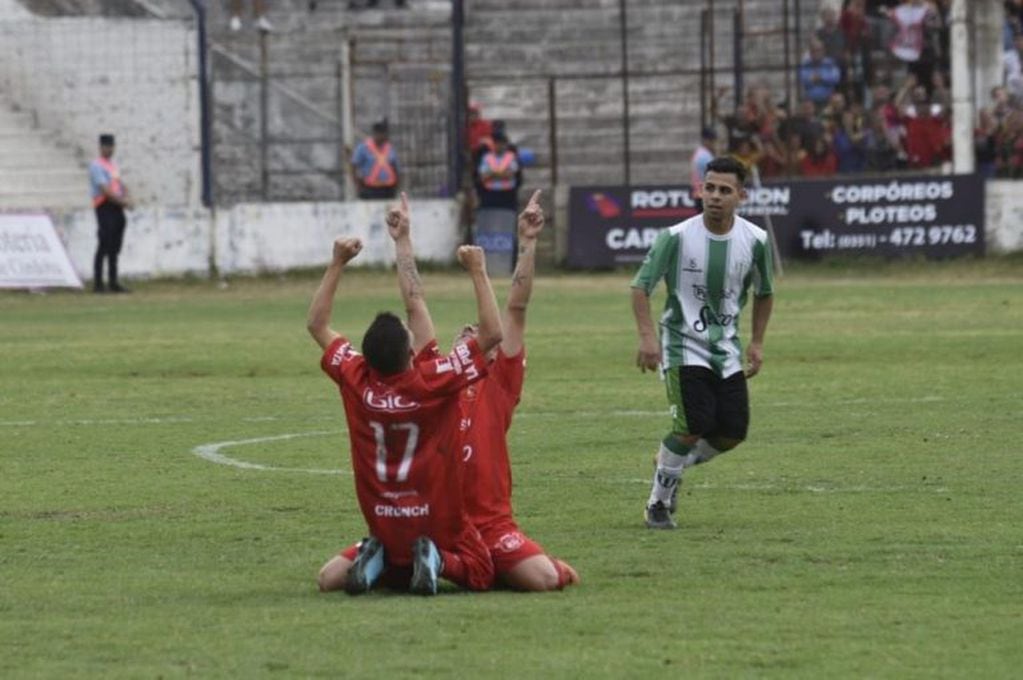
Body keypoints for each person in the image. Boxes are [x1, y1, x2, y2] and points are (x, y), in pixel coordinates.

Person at [309, 193, 503, 595]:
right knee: (482, 569)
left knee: (328, 578)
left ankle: (378, 557)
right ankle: (434, 557)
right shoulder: (433, 379)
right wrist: (479, 271)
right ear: (410, 355)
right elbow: (491, 335)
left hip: (384, 519)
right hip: (434, 518)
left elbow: (317, 324)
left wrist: (339, 263)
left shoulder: (357, 378)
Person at [630, 156, 775, 529]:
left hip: (725, 347)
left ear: (740, 196)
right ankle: (658, 505)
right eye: (709, 188)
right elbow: (640, 287)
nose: (714, 196)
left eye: (724, 190)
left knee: (732, 431)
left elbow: (764, 292)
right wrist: (648, 338)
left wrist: (757, 342)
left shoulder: (755, 240)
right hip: (681, 345)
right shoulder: (676, 237)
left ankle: (671, 464)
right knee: (692, 424)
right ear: (700, 189)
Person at [456, 190, 580, 592]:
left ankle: (486, 565)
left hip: (492, 526)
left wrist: (527, 243)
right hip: (441, 522)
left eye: (475, 331)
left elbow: (515, 311)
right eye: (462, 331)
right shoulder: (436, 380)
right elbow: (413, 309)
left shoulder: (499, 386)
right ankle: (469, 566)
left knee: (543, 579)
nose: (466, 332)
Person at [89, 134, 133, 294]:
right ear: (101, 147)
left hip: (116, 206)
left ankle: (113, 281)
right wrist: (123, 202)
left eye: (111, 146)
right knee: (104, 243)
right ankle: (99, 283)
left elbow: (118, 183)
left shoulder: (112, 165)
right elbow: (105, 189)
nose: (110, 149)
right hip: (105, 206)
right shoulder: (96, 166)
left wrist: (127, 195)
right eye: (107, 146)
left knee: (115, 245)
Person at [351, 119, 399, 200]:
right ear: (375, 133)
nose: (383, 136)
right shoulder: (363, 148)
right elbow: (354, 166)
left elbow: (396, 168)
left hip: (388, 189)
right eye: (380, 133)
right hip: (370, 190)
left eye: (384, 133)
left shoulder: (390, 148)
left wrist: (396, 187)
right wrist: (358, 184)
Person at [477, 130, 520, 211]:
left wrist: (492, 174)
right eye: (497, 143)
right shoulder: (486, 157)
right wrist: (502, 174)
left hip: (507, 194)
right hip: (490, 194)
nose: (499, 146)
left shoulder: (511, 156)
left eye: (501, 143)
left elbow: (510, 175)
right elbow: (483, 177)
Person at [799, 39, 842, 110]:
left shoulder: (830, 63)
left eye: (819, 50)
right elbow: (804, 80)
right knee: (806, 105)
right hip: (811, 101)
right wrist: (824, 80)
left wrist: (821, 78)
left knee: (838, 99)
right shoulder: (805, 65)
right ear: (810, 52)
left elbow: (835, 78)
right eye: (814, 50)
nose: (816, 53)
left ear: (823, 51)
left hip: (828, 100)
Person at [690, 127, 718, 211]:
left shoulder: (700, 152)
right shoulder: (704, 156)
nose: (714, 143)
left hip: (699, 192)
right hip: (704, 194)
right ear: (706, 140)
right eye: (712, 141)